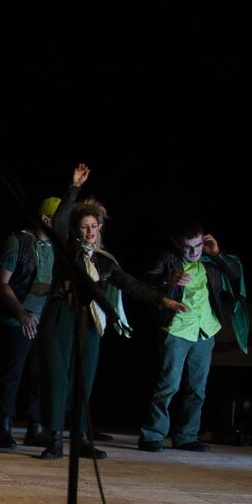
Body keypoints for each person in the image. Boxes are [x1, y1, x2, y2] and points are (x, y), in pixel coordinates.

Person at [38, 164, 186, 460]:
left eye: (94, 226)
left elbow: (130, 283)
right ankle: (54, 439)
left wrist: (162, 300)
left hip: (89, 319)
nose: (90, 231)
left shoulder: (105, 260)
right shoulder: (66, 248)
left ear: (100, 228)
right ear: (76, 229)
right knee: (57, 377)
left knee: (85, 379)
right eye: (84, 226)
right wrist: (74, 189)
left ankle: (81, 438)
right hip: (62, 312)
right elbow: (60, 222)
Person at [139, 222, 246, 453]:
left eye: (197, 245)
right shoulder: (169, 259)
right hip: (177, 329)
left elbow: (236, 274)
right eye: (188, 247)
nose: (194, 251)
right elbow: (146, 280)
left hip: (204, 330)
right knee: (169, 384)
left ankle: (187, 436)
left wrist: (217, 253)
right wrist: (168, 278)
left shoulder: (209, 259)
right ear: (178, 244)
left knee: (197, 388)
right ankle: (152, 435)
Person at [0, 198, 59, 448]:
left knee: (39, 375)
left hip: (43, 320)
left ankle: (35, 427)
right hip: (16, 318)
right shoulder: (18, 241)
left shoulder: (58, 247)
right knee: (12, 374)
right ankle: (3, 428)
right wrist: (21, 313)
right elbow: (2, 283)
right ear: (46, 219)